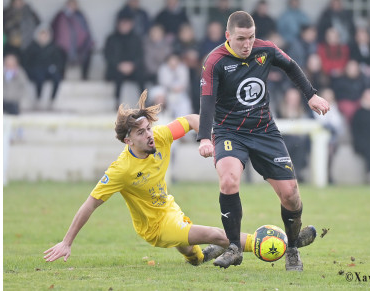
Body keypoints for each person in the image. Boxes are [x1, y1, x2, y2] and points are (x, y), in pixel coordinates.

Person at [43, 90, 253, 265]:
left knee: (191, 249)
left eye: (148, 129)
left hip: (168, 207)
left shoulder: (159, 136)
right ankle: (261, 243)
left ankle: (198, 258)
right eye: (141, 133)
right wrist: (66, 242)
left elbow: (191, 120)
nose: (149, 135)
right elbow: (90, 204)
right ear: (128, 141)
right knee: (214, 234)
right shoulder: (121, 170)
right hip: (155, 227)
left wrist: (212, 141)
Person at [197, 11, 327, 270]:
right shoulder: (215, 61)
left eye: (251, 37)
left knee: (291, 195)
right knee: (229, 179)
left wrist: (311, 95)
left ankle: (292, 248)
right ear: (228, 36)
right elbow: (207, 100)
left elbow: (291, 66)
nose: (247, 44)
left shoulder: (265, 50)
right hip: (229, 132)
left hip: (264, 131)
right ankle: (234, 247)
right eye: (241, 38)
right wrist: (203, 138)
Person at [104, 12, 144, 109]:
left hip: (133, 69)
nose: (125, 26)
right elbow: (107, 55)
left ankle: (143, 103)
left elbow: (140, 55)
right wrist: (119, 65)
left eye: (127, 23)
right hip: (116, 69)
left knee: (142, 75)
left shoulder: (136, 38)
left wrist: (132, 65)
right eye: (123, 23)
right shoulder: (111, 38)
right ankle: (117, 102)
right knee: (118, 75)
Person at [22, 24, 65, 107]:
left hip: (49, 70)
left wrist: (55, 68)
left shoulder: (53, 47)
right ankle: (38, 99)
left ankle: (52, 100)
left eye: (45, 35)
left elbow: (59, 62)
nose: (43, 37)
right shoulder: (32, 47)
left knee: (57, 78)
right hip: (36, 71)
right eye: (41, 35)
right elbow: (26, 62)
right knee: (39, 77)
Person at [51, 0, 94, 80]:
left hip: (79, 46)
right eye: (71, 5)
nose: (73, 7)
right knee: (59, 53)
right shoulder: (60, 15)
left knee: (88, 51)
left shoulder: (80, 16)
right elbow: (55, 29)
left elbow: (85, 30)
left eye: (75, 5)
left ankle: (84, 76)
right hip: (63, 46)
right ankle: (61, 76)